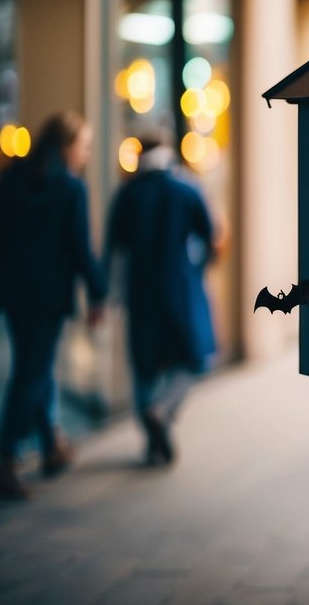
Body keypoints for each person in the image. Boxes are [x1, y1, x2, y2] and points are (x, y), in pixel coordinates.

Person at [0, 111, 105, 499]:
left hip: (14, 294)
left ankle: (51, 445)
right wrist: (97, 294)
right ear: (65, 146)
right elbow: (81, 249)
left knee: (36, 366)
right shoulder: (70, 188)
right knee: (31, 373)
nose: (86, 154)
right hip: (48, 297)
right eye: (83, 146)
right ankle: (7, 460)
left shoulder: (11, 179)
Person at [105, 130, 217, 466]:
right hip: (180, 288)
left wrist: (104, 295)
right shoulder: (186, 189)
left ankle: (153, 435)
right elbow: (210, 234)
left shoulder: (127, 195)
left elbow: (113, 247)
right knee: (193, 359)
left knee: (145, 368)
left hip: (141, 291)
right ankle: (164, 410)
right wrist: (198, 269)